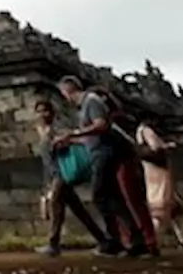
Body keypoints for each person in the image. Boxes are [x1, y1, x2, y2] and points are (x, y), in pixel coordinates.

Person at [52, 76, 149, 258]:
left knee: (100, 196)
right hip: (98, 152)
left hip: (104, 153)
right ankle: (127, 240)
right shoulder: (85, 106)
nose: (65, 98)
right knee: (110, 197)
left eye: (64, 93)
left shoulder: (91, 101)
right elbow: (90, 135)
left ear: (68, 90)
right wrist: (70, 139)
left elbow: (101, 126)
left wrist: (74, 133)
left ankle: (121, 239)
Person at [32, 99, 108, 257]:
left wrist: (63, 142)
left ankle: (53, 243)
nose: (42, 114)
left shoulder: (57, 129)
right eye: (39, 111)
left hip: (62, 174)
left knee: (56, 207)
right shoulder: (41, 131)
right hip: (54, 174)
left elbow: (74, 141)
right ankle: (103, 240)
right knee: (79, 211)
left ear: (52, 113)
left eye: (45, 110)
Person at [94, 88, 160, 257]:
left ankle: (148, 242)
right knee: (122, 203)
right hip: (116, 163)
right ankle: (132, 241)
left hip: (124, 162)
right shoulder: (112, 120)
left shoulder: (117, 120)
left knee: (132, 202)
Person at [135, 120, 183, 248]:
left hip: (152, 169)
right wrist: (168, 146)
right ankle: (153, 241)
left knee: (172, 207)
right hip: (158, 169)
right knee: (161, 205)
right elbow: (155, 148)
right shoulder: (147, 130)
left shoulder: (140, 131)